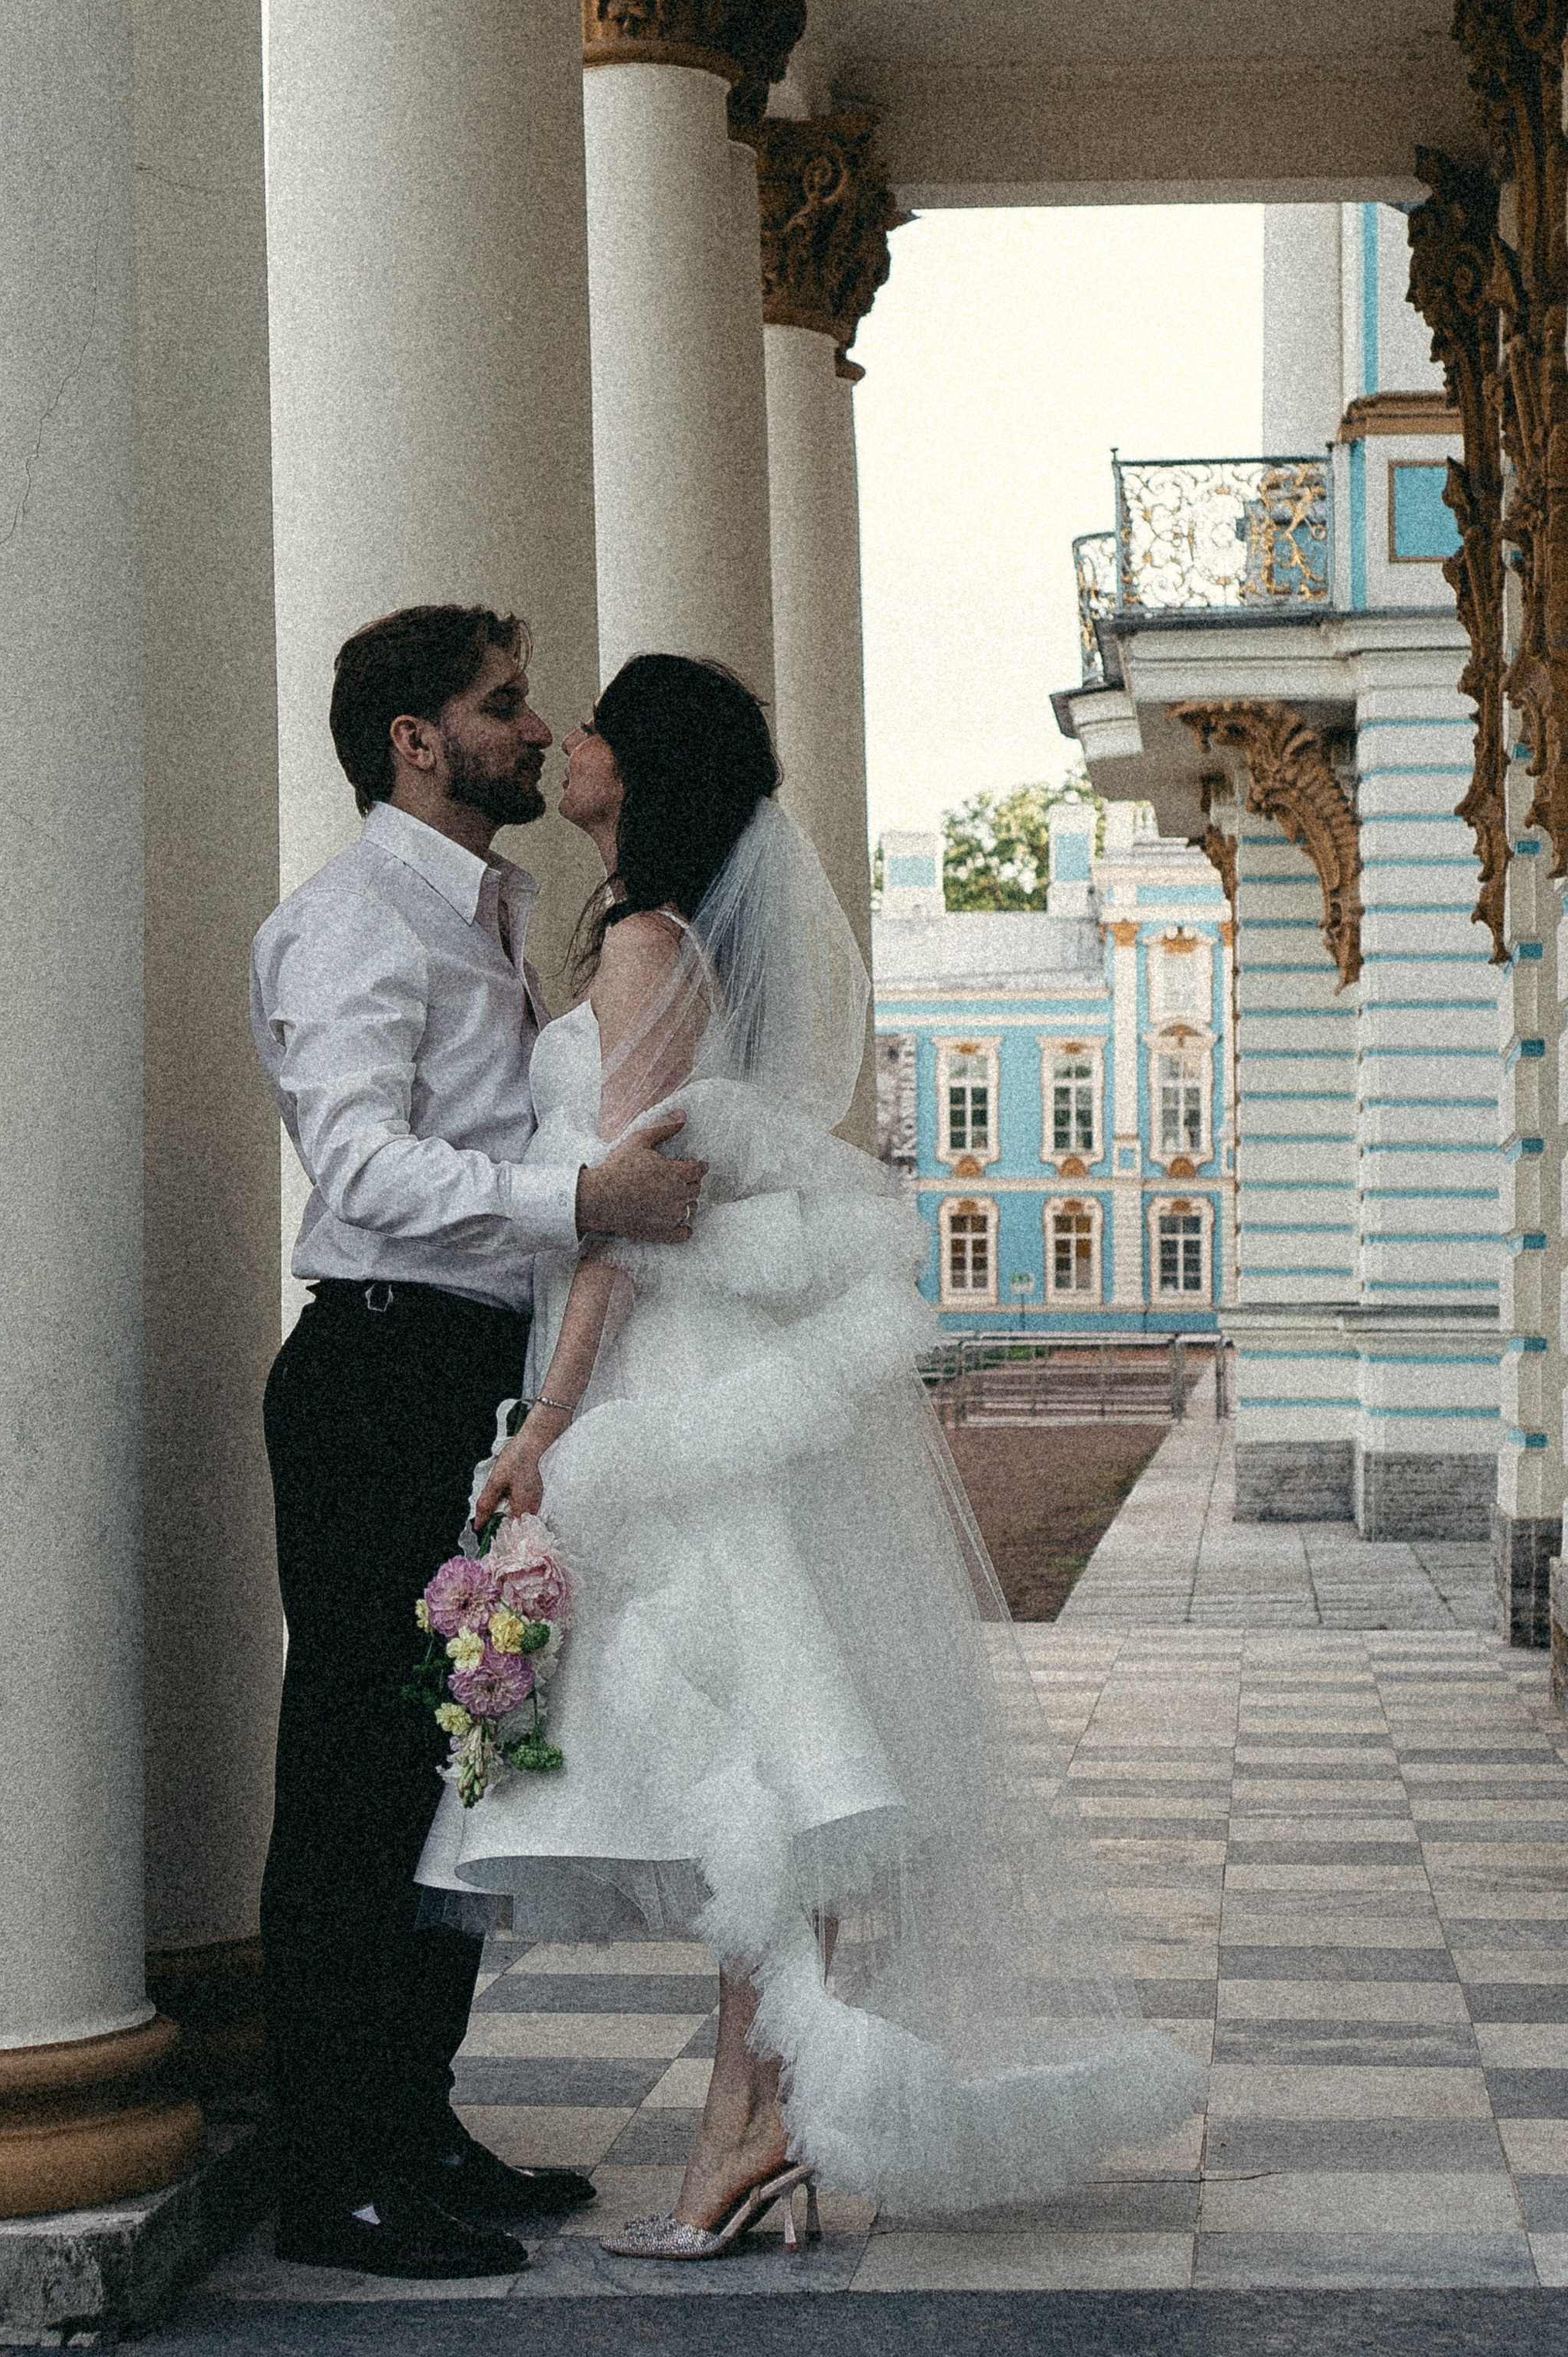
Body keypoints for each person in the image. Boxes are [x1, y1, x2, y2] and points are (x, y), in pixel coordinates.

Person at [419, 653, 1208, 2260]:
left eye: (589, 727)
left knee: (751, 1747)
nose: (562, 741)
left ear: (636, 772)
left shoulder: (646, 950)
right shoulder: (671, 944)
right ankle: (754, 2116)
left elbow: (626, 1220)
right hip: (709, 1368)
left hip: (668, 1378)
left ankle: (751, 2120)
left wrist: (552, 1426)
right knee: (761, 1751)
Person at [249, 605, 710, 2282]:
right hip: (376, 1375)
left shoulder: (482, 914)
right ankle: (331, 2173)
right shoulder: (353, 924)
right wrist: (576, 1194)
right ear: (413, 742)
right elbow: (357, 1170)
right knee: (357, 1781)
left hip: (466, 1377)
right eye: (503, 708)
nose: (536, 730)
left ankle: (409, 2119)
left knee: (454, 1762)